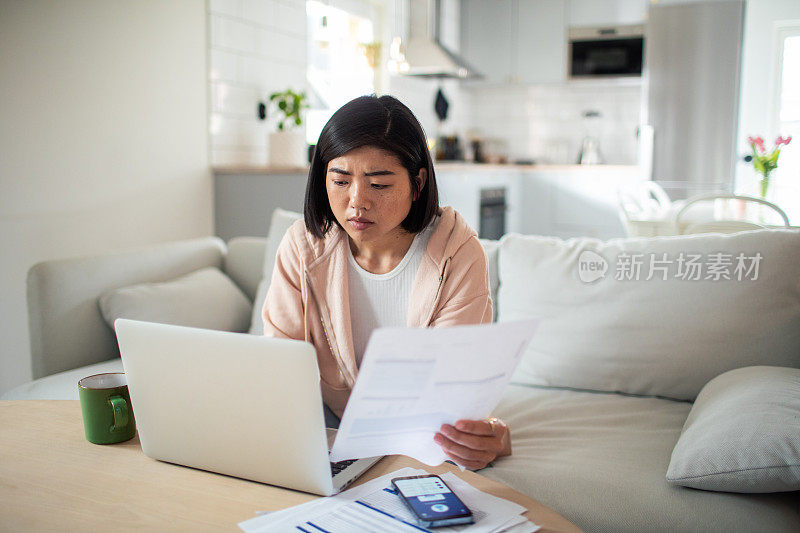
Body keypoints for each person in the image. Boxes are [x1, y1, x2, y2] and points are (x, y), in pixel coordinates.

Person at [262, 95, 511, 470]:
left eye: (378, 184)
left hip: (419, 437)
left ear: (418, 181)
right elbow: (280, 368)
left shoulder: (458, 254)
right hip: (326, 432)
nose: (356, 202)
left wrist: (487, 433)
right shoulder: (302, 247)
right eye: (340, 180)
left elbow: (450, 392)